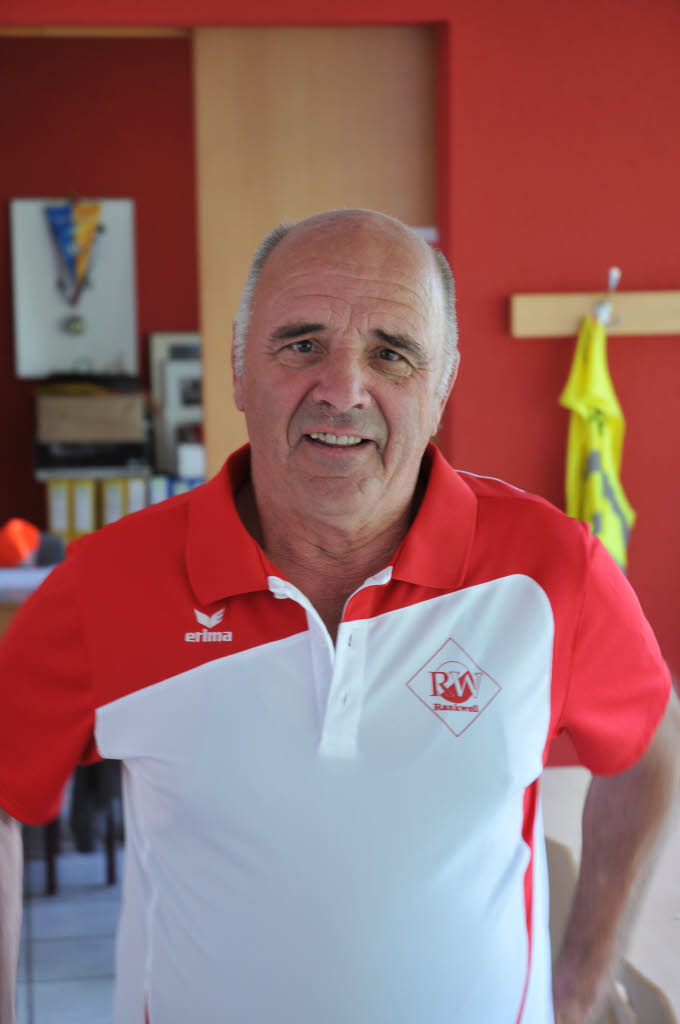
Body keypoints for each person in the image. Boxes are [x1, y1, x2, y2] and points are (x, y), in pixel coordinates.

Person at [0, 209, 678, 1024]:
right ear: (239, 369)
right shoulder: (107, 583)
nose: (342, 390)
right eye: (301, 344)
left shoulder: (554, 570)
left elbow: (651, 743)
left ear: (442, 385)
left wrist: (586, 976)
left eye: (391, 354)